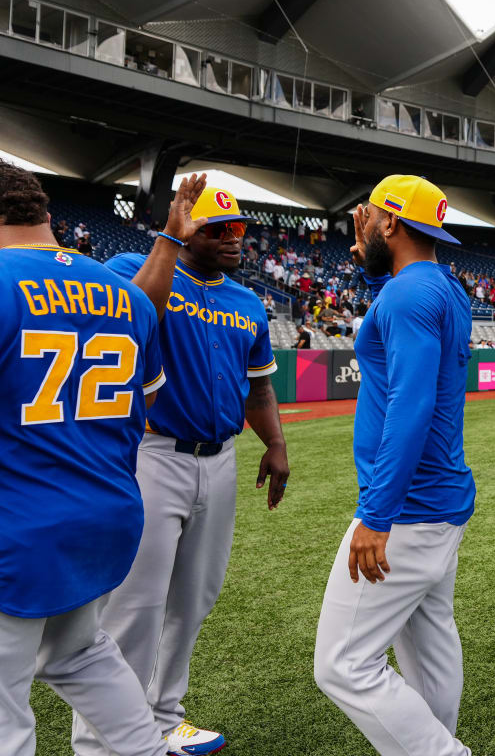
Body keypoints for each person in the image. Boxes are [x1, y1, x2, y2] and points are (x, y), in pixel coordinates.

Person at [74, 178, 287, 756]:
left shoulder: (246, 302)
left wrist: (275, 444)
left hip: (219, 461)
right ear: (189, 231)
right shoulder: (132, 265)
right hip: (154, 454)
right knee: (136, 604)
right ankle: (102, 739)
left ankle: (165, 717)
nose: (230, 239)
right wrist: (171, 236)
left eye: (237, 228)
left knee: (194, 598)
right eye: (216, 229)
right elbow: (130, 315)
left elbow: (260, 390)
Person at [0, 160, 170, 756]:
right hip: (107, 513)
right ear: (46, 217)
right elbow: (144, 403)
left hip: (19, 524)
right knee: (78, 654)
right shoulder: (127, 295)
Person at [313, 175, 475, 756]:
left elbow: (411, 405)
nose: (362, 226)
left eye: (374, 216)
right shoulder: (438, 287)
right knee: (430, 649)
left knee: (341, 664)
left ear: (391, 224)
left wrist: (376, 515)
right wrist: (374, 272)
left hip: (407, 508)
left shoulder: (409, 295)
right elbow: (398, 327)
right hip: (440, 502)